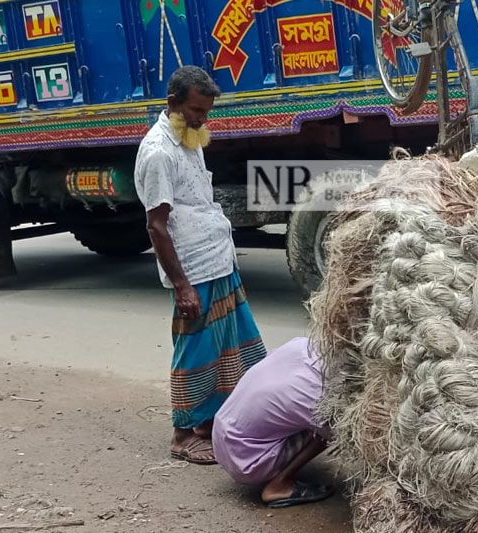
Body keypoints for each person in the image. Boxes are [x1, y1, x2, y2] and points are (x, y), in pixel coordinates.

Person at [135, 66, 267, 465]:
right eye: (195, 110)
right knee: (195, 350)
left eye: (206, 111)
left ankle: (211, 423)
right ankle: (182, 434)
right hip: (193, 269)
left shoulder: (189, 138)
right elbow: (157, 226)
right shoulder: (159, 151)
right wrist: (182, 286)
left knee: (232, 346)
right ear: (173, 103)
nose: (202, 118)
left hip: (217, 260)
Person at [213, 338, 333, 508]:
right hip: (248, 461)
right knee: (334, 424)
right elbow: (342, 434)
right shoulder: (314, 393)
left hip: (222, 435)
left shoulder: (302, 344)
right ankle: (279, 485)